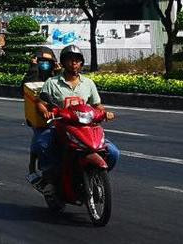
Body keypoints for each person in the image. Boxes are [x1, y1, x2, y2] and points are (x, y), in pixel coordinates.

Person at [30, 44, 119, 192]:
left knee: (113, 152)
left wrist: (105, 113)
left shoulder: (88, 83)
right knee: (43, 144)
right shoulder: (52, 83)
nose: (74, 63)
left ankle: (96, 177)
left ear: (81, 63)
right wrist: (45, 112)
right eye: (70, 60)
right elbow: (41, 103)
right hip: (60, 126)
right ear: (63, 62)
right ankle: (49, 179)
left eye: (77, 60)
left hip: (85, 128)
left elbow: (97, 105)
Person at [22, 47, 57, 177]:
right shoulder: (32, 75)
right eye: (41, 61)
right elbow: (28, 87)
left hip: (58, 113)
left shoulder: (56, 77)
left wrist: (59, 71)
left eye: (48, 62)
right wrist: (33, 68)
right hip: (38, 115)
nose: (45, 64)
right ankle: (39, 167)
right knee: (41, 140)